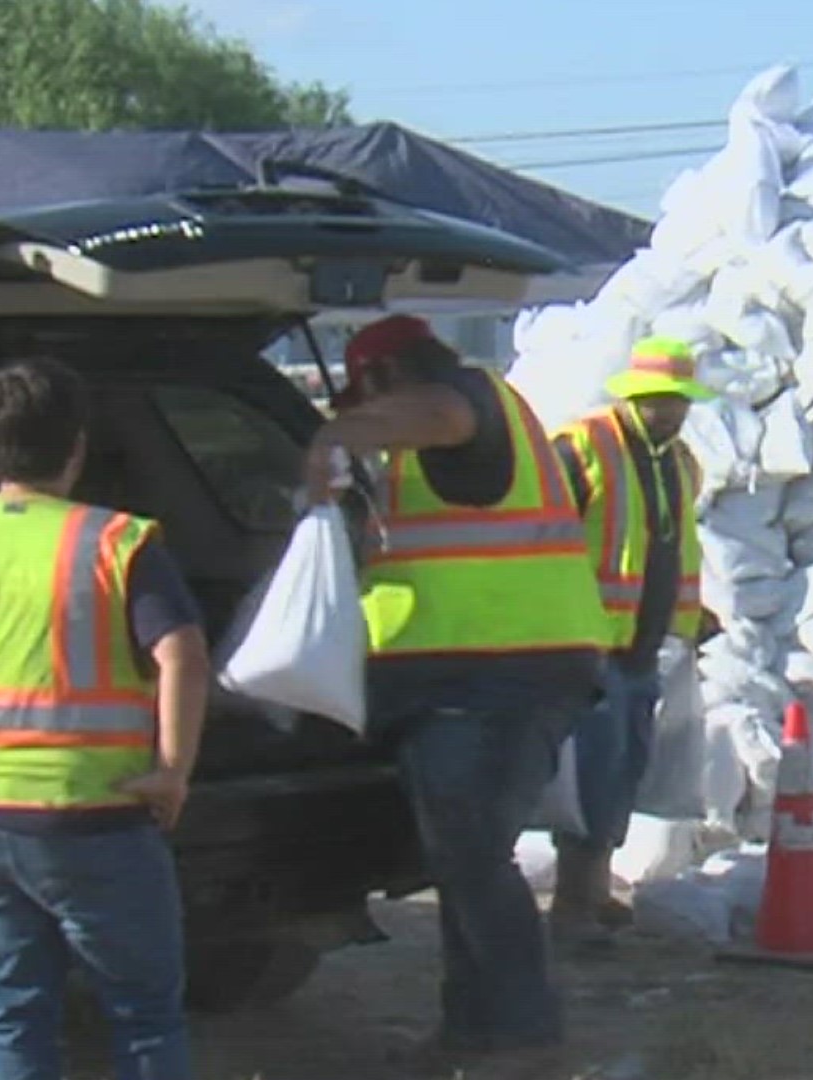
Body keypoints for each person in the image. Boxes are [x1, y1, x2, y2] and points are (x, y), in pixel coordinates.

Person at [0, 358, 208, 1080]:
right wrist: (172, 770)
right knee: (143, 1012)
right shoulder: (116, 541)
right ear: (78, 444)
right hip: (97, 814)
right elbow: (181, 650)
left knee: (16, 1008)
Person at [305, 315, 608, 1074]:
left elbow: (435, 413)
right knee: (460, 856)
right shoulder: (422, 446)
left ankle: (519, 1035)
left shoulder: (466, 399)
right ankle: (475, 1030)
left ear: (385, 378)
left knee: (474, 854)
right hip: (467, 678)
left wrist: (335, 434)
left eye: (365, 398)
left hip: (499, 673)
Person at [547, 336, 712, 943]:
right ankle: (572, 906)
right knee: (591, 774)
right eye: (656, 401)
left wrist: (693, 616)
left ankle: (595, 888)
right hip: (591, 644)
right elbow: (546, 539)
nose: (667, 412)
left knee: (622, 771)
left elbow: (667, 547)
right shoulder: (584, 446)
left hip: (644, 645)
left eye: (676, 401)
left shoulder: (677, 460)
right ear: (630, 395)